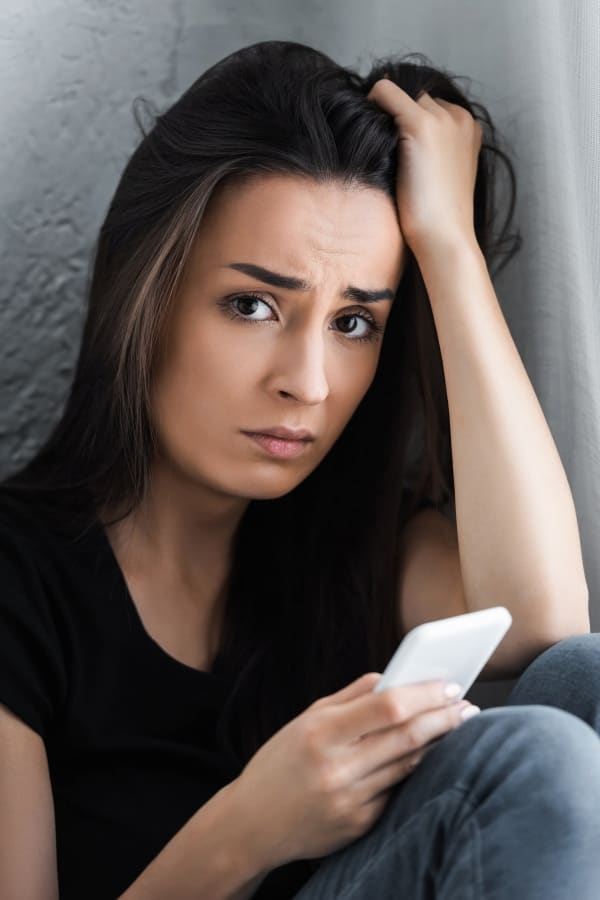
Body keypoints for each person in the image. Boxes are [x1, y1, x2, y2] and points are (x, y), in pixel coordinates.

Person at [1, 38, 599, 900]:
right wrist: (251, 827)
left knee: (587, 679)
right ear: (146, 295)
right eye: (253, 305)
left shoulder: (358, 545)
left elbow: (546, 627)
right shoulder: (19, 584)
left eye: (354, 322)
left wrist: (449, 249)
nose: (308, 383)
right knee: (530, 756)